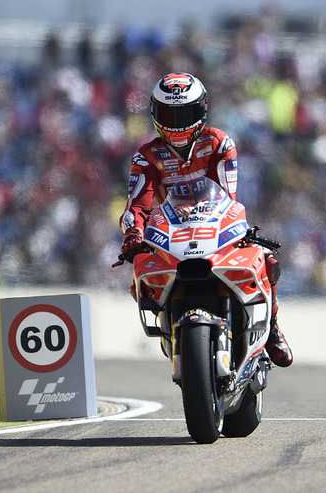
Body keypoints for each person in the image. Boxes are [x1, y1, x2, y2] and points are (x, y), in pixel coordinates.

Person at [119, 72, 293, 367]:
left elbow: (227, 198)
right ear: (154, 113)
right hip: (170, 236)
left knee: (265, 257)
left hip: (215, 228)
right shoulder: (145, 156)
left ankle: (272, 327)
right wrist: (134, 233)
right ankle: (169, 325)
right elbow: (138, 205)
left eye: (184, 114)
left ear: (200, 111)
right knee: (140, 278)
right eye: (168, 114)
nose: (176, 124)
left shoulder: (220, 143)